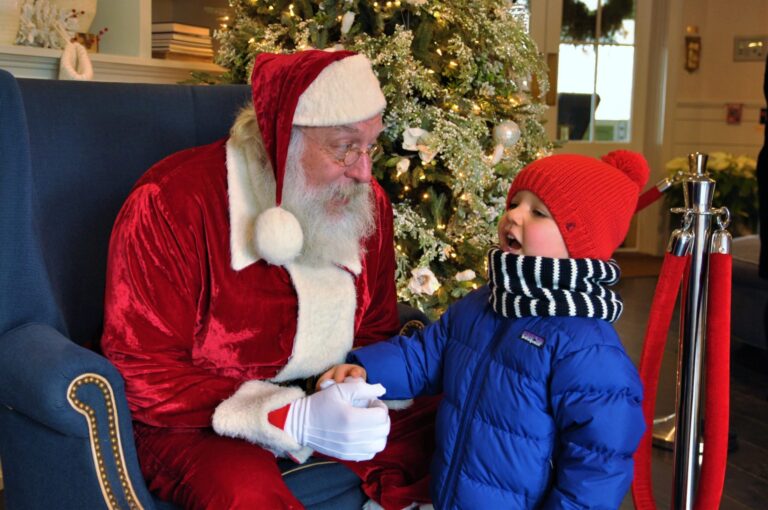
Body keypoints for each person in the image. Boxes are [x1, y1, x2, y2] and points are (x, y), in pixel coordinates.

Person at [101, 50, 434, 509]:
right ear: (283, 140)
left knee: (458, 432)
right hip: (201, 419)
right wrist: (288, 416)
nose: (363, 172)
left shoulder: (367, 202)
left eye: (370, 146)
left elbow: (376, 328)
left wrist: (355, 378)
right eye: (344, 148)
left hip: (325, 394)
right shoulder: (171, 203)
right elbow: (142, 371)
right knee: (246, 495)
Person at [320, 151, 649, 509]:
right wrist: (368, 368)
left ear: (580, 245)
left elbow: (599, 464)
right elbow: (426, 355)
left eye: (538, 213)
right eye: (515, 203)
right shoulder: (483, 304)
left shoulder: (586, 348)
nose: (514, 215)